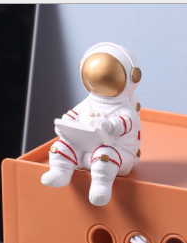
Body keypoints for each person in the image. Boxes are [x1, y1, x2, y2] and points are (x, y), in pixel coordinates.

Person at [41, 42, 142, 206]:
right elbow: (74, 114)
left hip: (117, 152)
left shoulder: (125, 108)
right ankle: (60, 171)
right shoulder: (88, 102)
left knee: (104, 155)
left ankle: (101, 186)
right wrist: (65, 124)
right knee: (59, 146)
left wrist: (109, 125)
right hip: (82, 148)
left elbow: (124, 123)